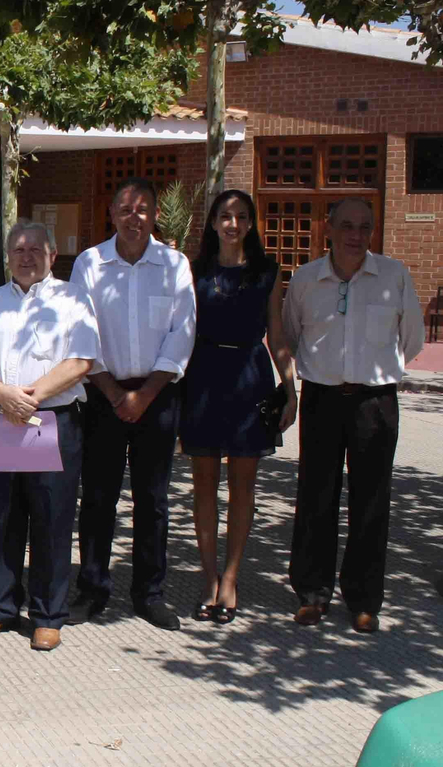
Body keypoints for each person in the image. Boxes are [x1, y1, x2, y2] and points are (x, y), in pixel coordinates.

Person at [0, 224, 100, 651]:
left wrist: (31, 398)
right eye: (18, 249)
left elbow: (81, 360)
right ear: (7, 256)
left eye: (36, 249)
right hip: (0, 420)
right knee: (0, 516)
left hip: (51, 422)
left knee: (52, 519)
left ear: (53, 255)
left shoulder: (73, 299)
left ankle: (48, 614)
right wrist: (3, 395)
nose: (27, 256)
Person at [284, 198, 423, 633]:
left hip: (374, 402)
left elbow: (412, 339)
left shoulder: (394, 276)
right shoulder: (307, 279)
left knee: (371, 502)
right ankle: (312, 593)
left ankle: (363, 599)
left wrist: (374, 369)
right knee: (316, 496)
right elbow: (290, 334)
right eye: (346, 225)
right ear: (328, 227)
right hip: (322, 399)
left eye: (365, 227)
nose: (355, 235)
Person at [68, 176, 196, 631]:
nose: (133, 217)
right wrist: (114, 391)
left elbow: (183, 334)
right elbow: (81, 331)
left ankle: (149, 592)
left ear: (155, 214)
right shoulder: (90, 263)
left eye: (142, 209)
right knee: (99, 498)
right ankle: (93, 588)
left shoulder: (174, 264)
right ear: (112, 213)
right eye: (125, 208)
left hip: (158, 396)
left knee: (153, 499)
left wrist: (144, 394)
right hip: (102, 393)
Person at [180, 191, 297, 624]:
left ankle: (232, 578)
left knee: (243, 486)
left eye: (242, 217)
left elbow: (278, 335)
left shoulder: (267, 272)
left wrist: (290, 387)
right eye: (225, 216)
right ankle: (208, 578)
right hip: (204, 376)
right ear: (212, 223)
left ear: (251, 224)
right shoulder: (195, 271)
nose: (233, 224)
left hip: (250, 377)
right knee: (204, 484)